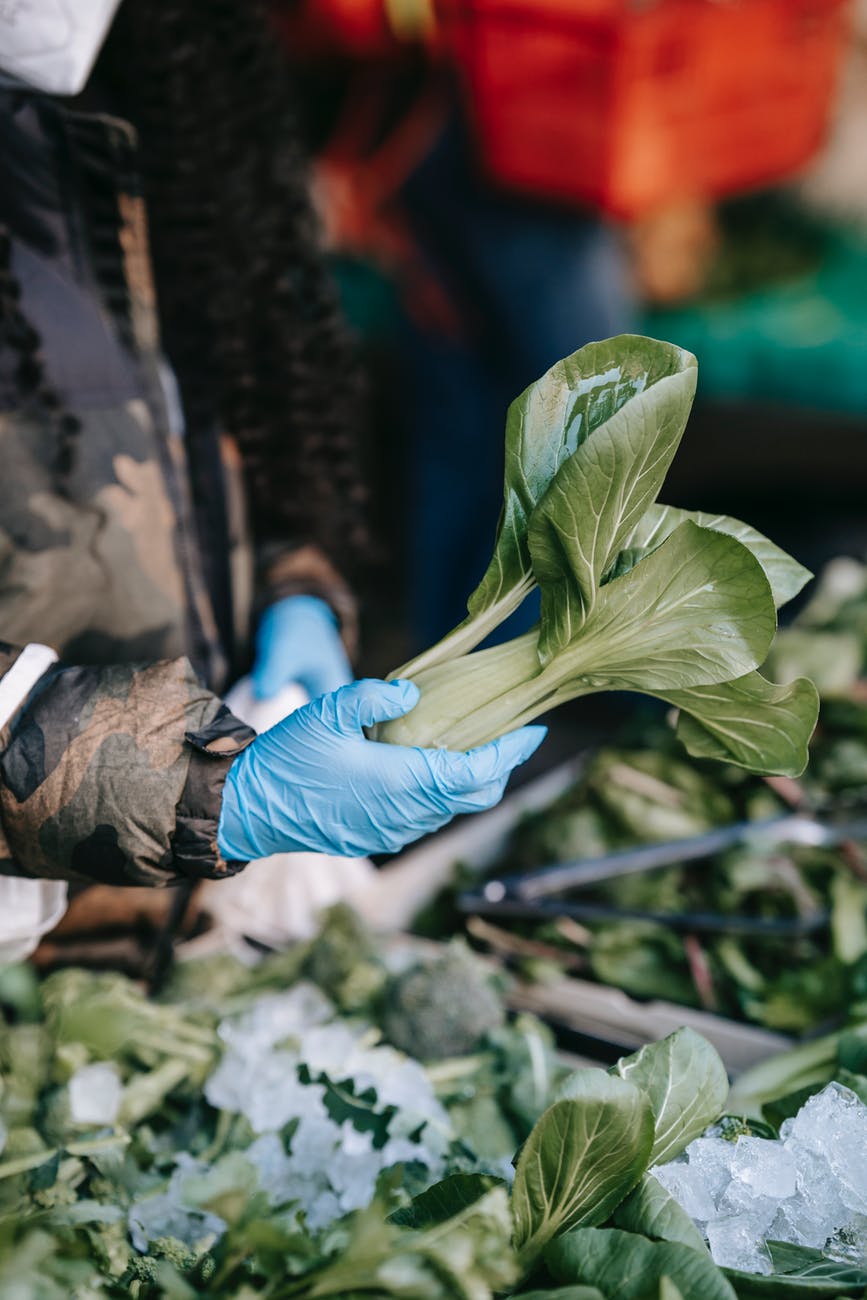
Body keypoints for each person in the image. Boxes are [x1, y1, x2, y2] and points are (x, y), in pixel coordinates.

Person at [0, 0, 545, 962]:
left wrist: (296, 586)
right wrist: (211, 792)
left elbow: (229, 430)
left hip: (168, 918)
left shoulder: (158, 80)